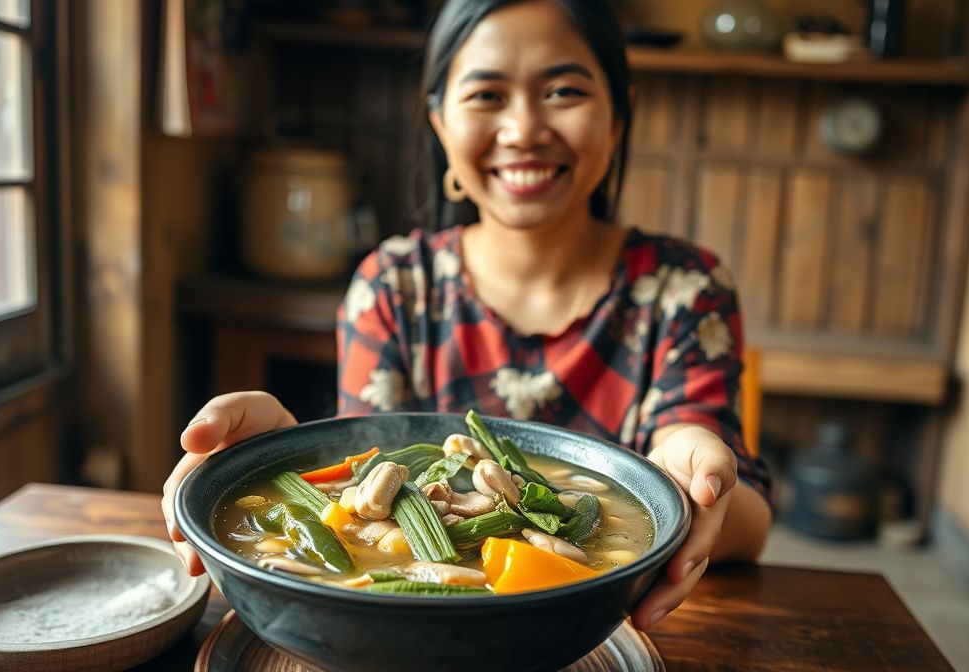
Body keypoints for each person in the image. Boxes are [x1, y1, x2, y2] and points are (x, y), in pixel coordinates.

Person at [163, 0, 772, 632]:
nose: (523, 128)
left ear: (619, 115)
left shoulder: (685, 289)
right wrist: (280, 457)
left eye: (564, 90)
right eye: (487, 94)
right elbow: (372, 478)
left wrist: (695, 475)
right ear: (440, 124)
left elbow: (744, 522)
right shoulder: (395, 285)